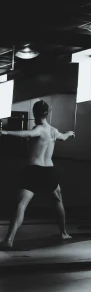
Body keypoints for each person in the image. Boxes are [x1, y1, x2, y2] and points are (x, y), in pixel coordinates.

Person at [1, 100, 74, 248]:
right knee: (58, 200)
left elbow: (26, 133)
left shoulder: (39, 129)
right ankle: (64, 233)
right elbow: (63, 137)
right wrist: (69, 133)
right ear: (47, 113)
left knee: (21, 205)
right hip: (49, 172)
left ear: (35, 113)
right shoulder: (53, 130)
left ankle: (9, 239)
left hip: (34, 171)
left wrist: (6, 132)